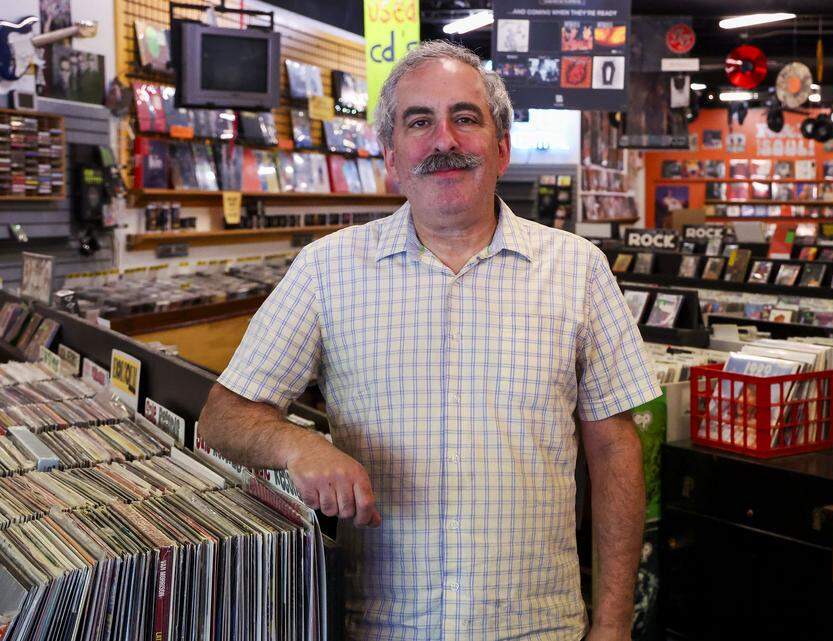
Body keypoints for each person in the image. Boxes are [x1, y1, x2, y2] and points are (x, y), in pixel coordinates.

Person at [197, 40, 660, 641]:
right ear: (391, 155)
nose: (444, 140)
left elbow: (615, 449)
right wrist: (296, 446)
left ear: (501, 148)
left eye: (465, 118)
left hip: (538, 627)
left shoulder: (579, 270)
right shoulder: (326, 270)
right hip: (383, 626)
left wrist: (614, 624)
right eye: (420, 122)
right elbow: (221, 417)